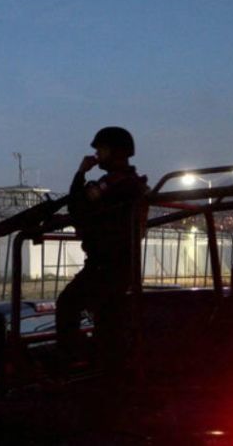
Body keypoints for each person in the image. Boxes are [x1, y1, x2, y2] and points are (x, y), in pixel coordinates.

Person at [55, 126, 149, 375]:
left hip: (106, 264)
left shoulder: (114, 184)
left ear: (115, 151)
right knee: (108, 322)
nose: (97, 154)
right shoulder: (130, 184)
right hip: (117, 264)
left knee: (68, 304)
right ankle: (104, 369)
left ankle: (70, 365)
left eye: (102, 149)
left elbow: (77, 205)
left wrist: (80, 173)